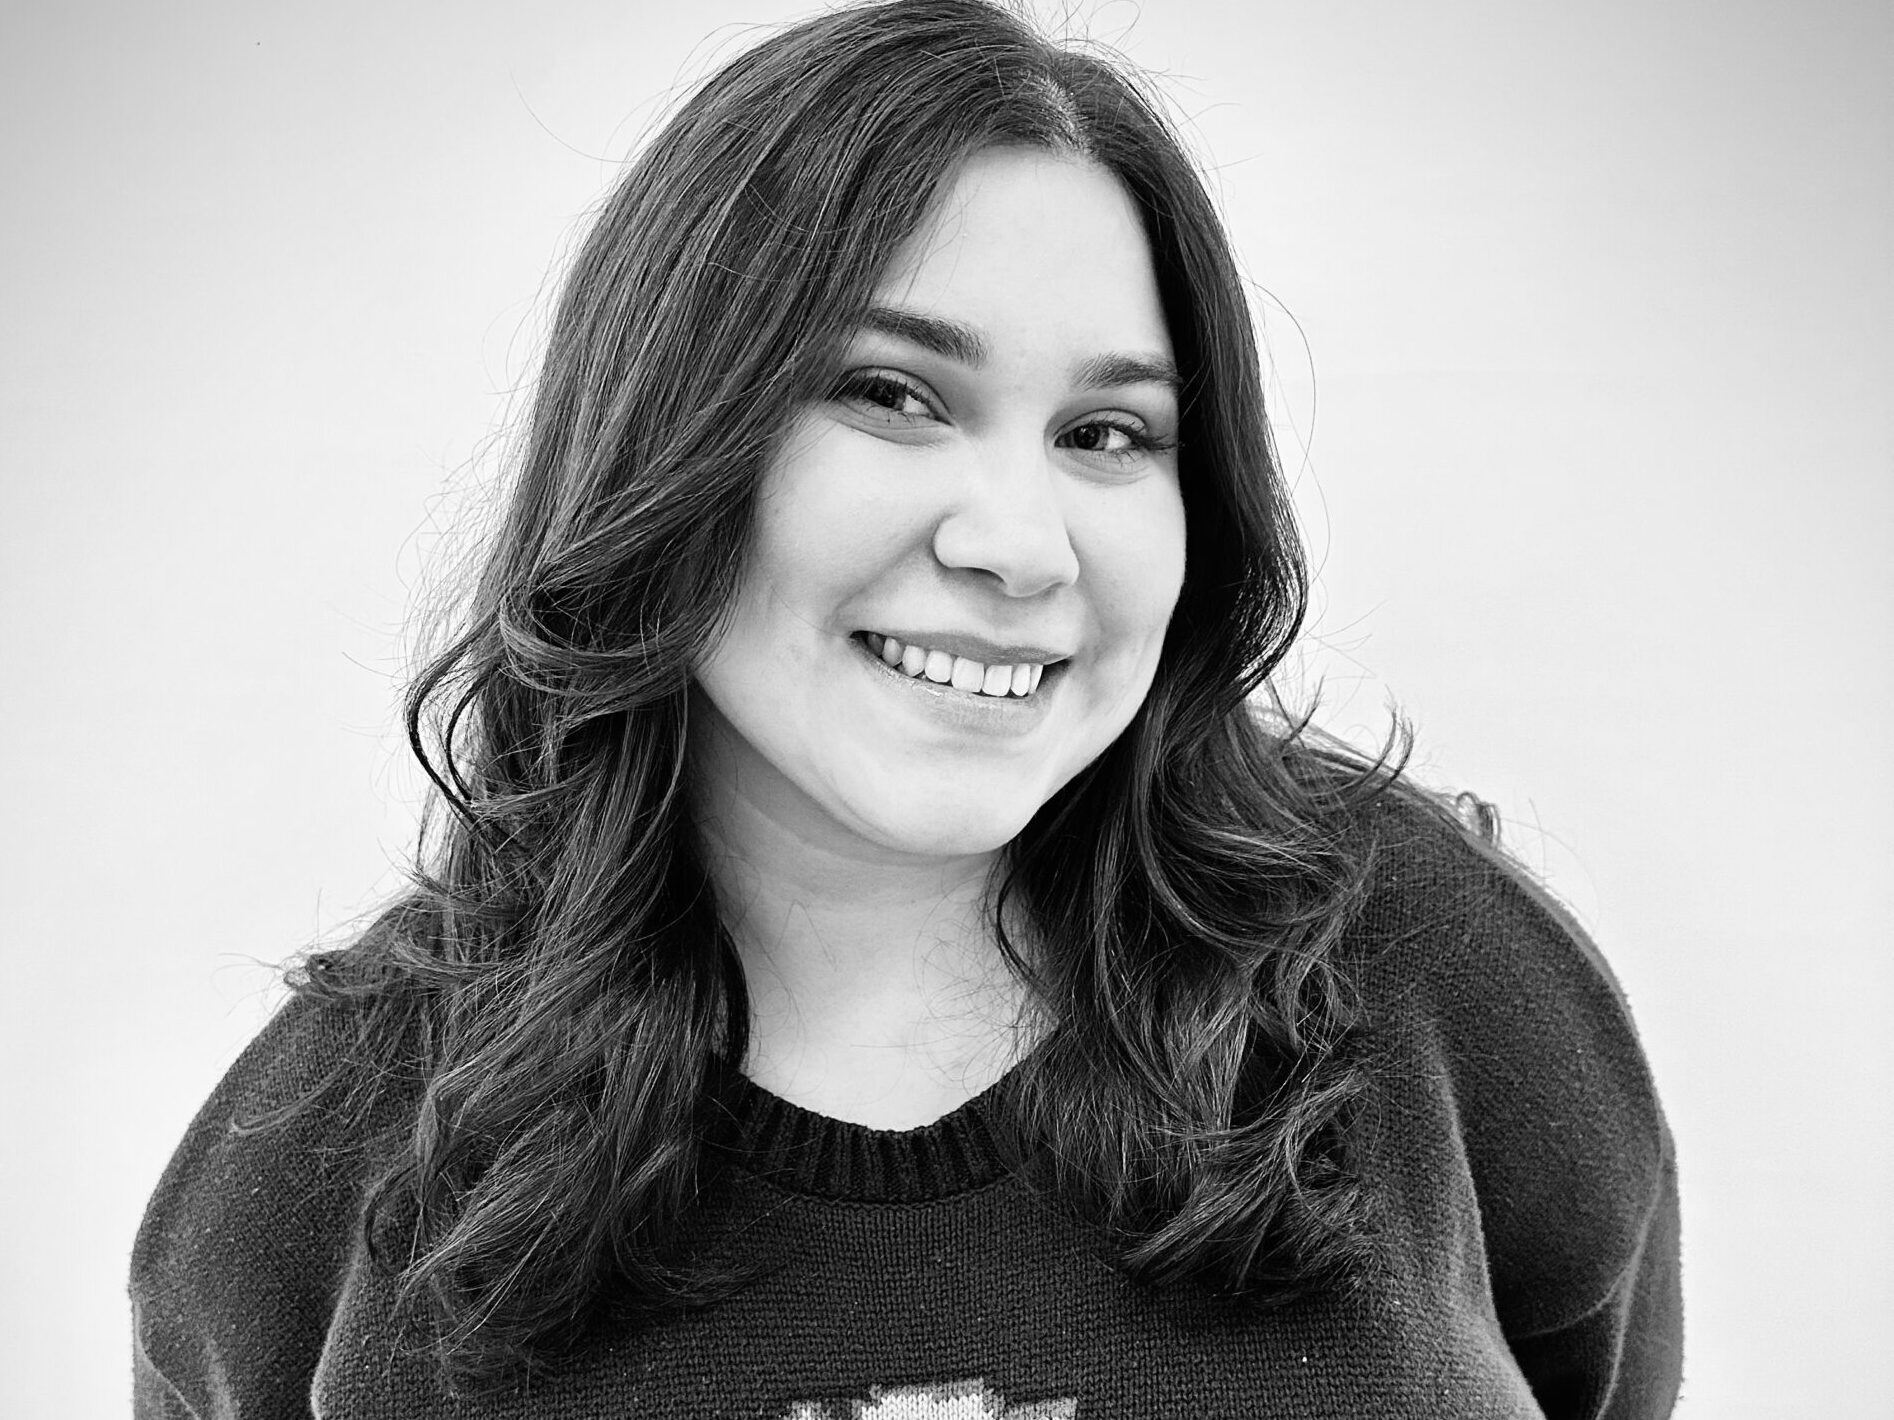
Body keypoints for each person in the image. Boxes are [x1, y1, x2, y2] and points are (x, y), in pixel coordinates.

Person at [129, 1, 1682, 1415]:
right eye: (891, 395)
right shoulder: (317, 1158)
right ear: (668, 434)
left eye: (1106, 432)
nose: (1020, 544)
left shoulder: (1435, 976)